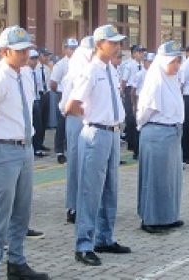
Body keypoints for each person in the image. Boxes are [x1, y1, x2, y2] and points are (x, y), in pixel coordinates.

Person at [0, 26, 50, 280]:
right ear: (4, 52)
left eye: (27, 49)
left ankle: (16, 262)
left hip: (24, 147)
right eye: (19, 50)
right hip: (2, 148)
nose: (25, 54)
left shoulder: (25, 74)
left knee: (21, 211)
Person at [67, 25, 131, 267]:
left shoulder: (110, 69)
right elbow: (72, 105)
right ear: (99, 44)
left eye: (118, 42)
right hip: (96, 133)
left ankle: (105, 238)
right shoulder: (91, 70)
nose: (117, 46)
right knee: (90, 191)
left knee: (110, 189)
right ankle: (84, 245)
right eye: (112, 42)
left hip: (113, 133)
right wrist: (90, 117)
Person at [135, 41, 185, 234]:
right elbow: (145, 111)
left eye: (179, 61)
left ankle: (168, 216)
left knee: (170, 179)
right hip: (157, 134)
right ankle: (151, 219)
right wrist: (143, 126)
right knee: (155, 179)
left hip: (171, 134)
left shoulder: (171, 80)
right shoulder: (155, 80)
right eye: (173, 62)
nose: (177, 66)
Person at [59, 36, 95, 224]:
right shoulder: (75, 71)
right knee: (76, 162)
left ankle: (89, 204)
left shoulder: (98, 68)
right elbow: (66, 103)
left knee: (90, 164)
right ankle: (73, 206)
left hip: (92, 120)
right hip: (76, 118)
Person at [50, 38, 79, 163]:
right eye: (71, 48)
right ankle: (59, 150)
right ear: (65, 49)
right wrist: (60, 92)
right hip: (64, 96)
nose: (74, 51)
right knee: (62, 124)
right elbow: (53, 83)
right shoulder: (61, 64)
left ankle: (71, 147)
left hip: (77, 97)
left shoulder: (81, 62)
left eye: (75, 48)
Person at [121, 45, 144, 156]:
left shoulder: (143, 66)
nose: (141, 55)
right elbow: (124, 80)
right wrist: (123, 92)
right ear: (133, 53)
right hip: (130, 90)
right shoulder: (129, 65)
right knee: (131, 118)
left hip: (140, 92)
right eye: (139, 52)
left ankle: (136, 144)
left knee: (138, 118)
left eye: (142, 52)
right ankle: (131, 143)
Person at [32, 48, 52, 156]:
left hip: (46, 94)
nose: (47, 58)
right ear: (40, 56)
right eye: (45, 56)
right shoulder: (34, 69)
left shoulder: (47, 69)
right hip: (38, 96)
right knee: (37, 122)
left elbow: (48, 82)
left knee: (44, 120)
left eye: (48, 56)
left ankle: (41, 143)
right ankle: (36, 144)